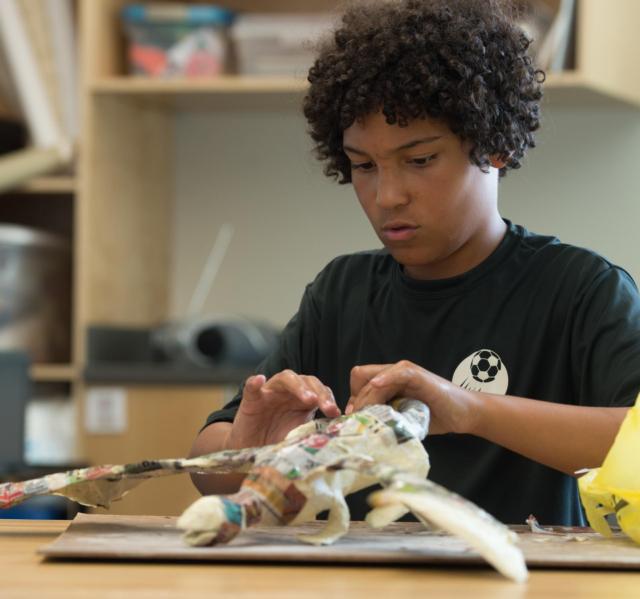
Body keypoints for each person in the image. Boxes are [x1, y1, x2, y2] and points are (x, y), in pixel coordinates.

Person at [189, 0, 640, 525]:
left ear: (494, 145)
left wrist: (469, 410)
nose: (387, 196)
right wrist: (250, 448)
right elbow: (207, 466)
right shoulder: (342, 292)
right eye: (363, 165)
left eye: (419, 160)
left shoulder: (580, 289)